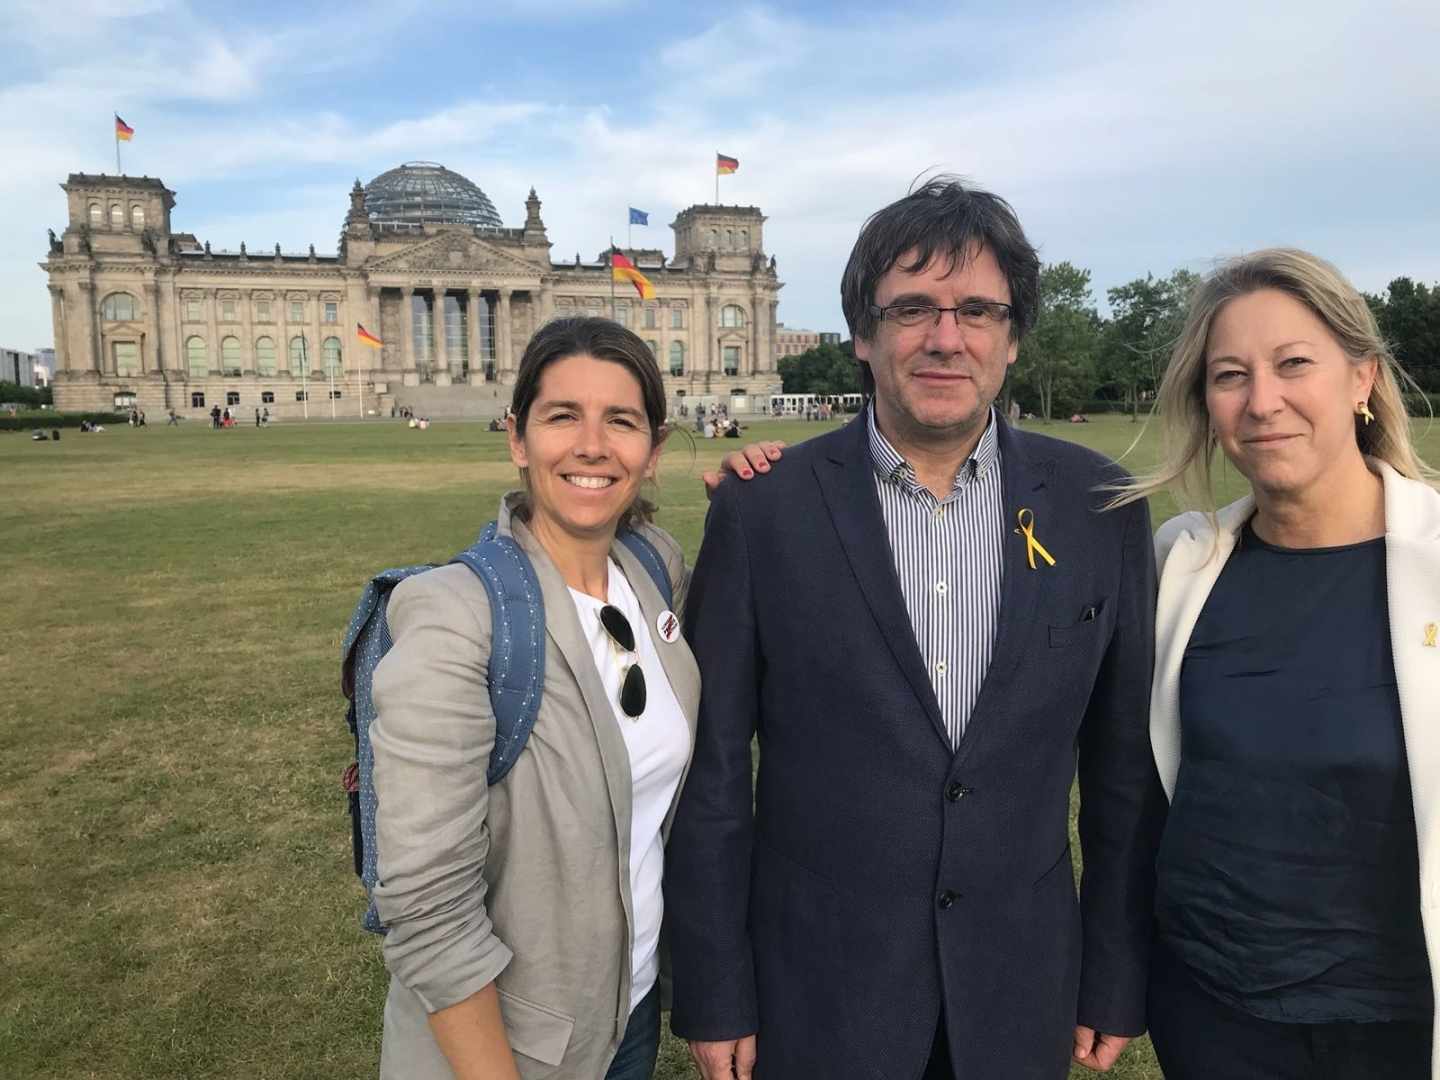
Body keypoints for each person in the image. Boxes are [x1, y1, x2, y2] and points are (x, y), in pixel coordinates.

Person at [666, 177, 1166, 1079]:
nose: (946, 337)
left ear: (1011, 340)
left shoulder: (1101, 510)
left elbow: (1123, 771)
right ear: (864, 334)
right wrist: (713, 985)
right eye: (913, 309)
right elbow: (711, 777)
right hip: (818, 986)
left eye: (978, 309)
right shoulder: (763, 510)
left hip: (1021, 983)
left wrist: (1116, 970)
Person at [1109, 248, 1440, 1079]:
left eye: (1295, 364)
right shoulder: (1179, 564)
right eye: (1230, 376)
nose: (1263, 402)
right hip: (1214, 1018)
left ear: (1361, 379)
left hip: (1396, 1026)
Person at [369, 316, 699, 1080]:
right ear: (518, 439)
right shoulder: (454, 613)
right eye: (562, 417)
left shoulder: (655, 568)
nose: (592, 445)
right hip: (511, 1050)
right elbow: (424, 908)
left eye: (621, 420)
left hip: (630, 1013)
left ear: (651, 450)